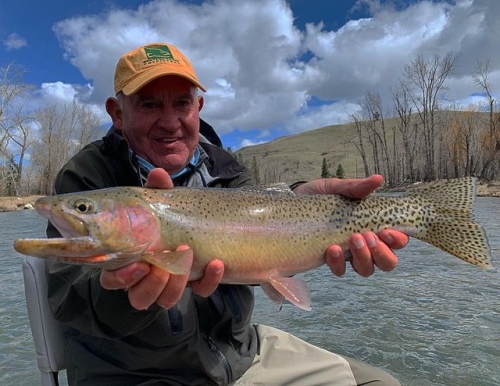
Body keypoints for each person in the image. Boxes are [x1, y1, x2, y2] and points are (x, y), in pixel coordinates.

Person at [46, 42, 408, 386]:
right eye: (150, 105)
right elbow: (69, 300)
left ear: (198, 107)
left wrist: (302, 199)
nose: (170, 122)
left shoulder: (226, 168)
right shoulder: (87, 181)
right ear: (117, 113)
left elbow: (269, 232)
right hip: (134, 375)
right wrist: (125, 290)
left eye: (182, 104)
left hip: (239, 356)